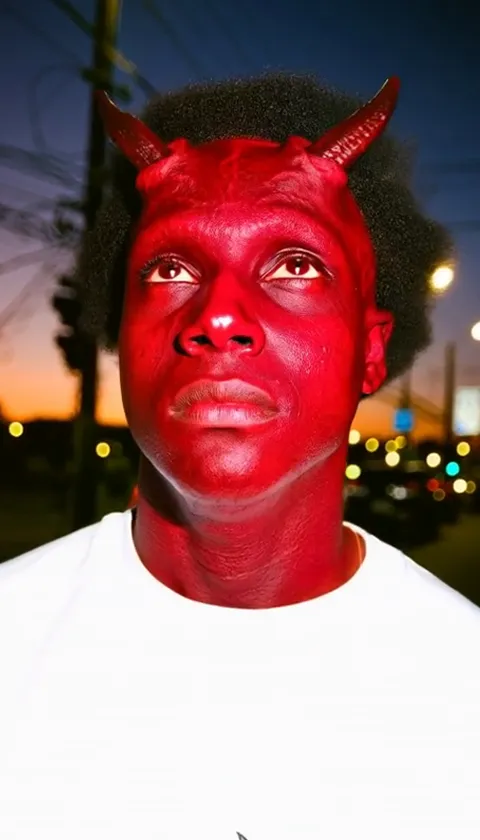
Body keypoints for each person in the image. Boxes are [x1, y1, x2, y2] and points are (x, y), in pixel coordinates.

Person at [0, 73, 478, 840]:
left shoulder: (463, 682)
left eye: (294, 265)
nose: (218, 315)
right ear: (125, 337)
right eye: (171, 269)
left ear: (369, 351)